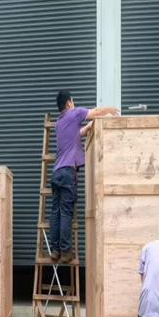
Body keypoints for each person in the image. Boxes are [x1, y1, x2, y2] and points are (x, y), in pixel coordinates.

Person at [49, 91, 118, 263]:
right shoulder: (75, 113)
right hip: (68, 172)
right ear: (69, 103)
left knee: (56, 212)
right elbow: (96, 111)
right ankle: (66, 251)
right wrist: (111, 109)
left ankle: (55, 250)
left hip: (56, 172)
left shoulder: (59, 123)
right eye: (72, 101)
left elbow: (75, 135)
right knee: (66, 212)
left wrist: (87, 128)